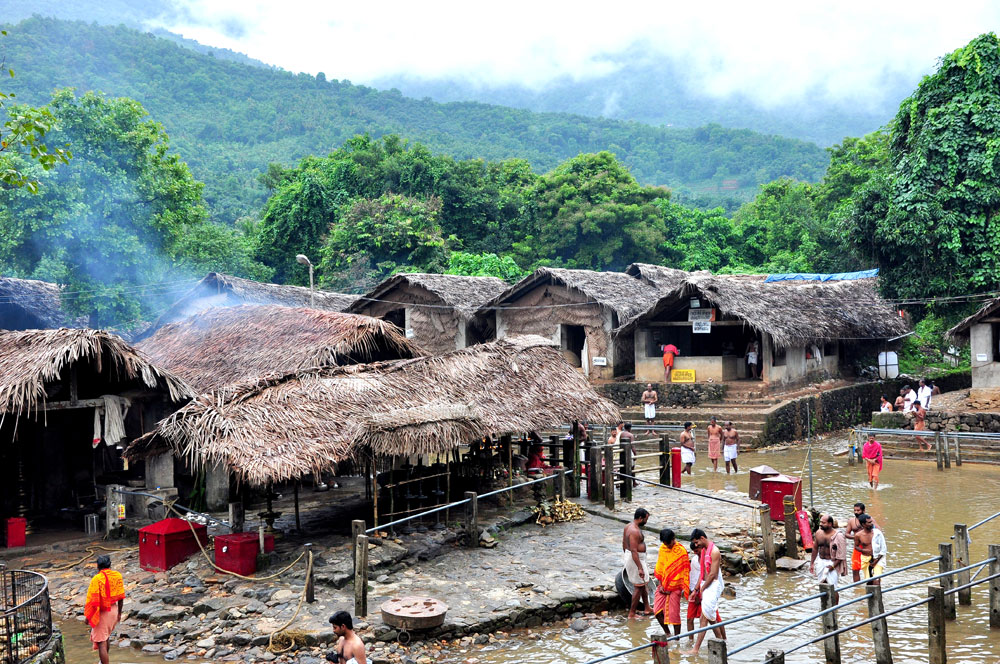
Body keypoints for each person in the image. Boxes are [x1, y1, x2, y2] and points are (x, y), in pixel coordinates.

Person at [683, 529, 725, 655]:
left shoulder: (714, 551)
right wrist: (697, 589)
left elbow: (713, 574)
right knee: (711, 618)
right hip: (705, 585)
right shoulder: (704, 551)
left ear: (702, 538)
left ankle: (695, 649)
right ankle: (721, 643)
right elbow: (703, 574)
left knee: (704, 617)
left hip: (712, 586)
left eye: (696, 542)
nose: (696, 545)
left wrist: (702, 588)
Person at [84, 555, 125, 664]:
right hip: (114, 611)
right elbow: (121, 598)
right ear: (110, 564)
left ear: (98, 566)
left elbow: (92, 600)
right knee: (105, 637)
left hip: (102, 613)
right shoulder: (117, 576)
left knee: (101, 642)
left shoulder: (97, 579)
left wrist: (88, 617)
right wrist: (119, 614)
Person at [653, 528, 689, 636]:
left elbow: (683, 573)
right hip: (663, 586)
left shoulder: (681, 552)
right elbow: (660, 568)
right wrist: (662, 585)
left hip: (675, 587)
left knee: (674, 616)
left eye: (669, 543)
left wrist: (672, 588)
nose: (668, 545)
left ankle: (677, 639)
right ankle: (667, 634)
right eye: (665, 543)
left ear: (673, 539)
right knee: (657, 611)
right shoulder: (662, 549)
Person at [810, 514, 847, 604]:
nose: (821, 524)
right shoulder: (818, 533)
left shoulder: (838, 536)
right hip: (821, 561)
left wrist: (832, 567)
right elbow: (815, 548)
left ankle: (835, 608)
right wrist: (812, 563)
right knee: (822, 584)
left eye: (823, 522)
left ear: (830, 524)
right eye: (820, 522)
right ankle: (825, 605)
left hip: (833, 562)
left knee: (833, 587)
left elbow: (841, 555)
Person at [622, 508, 652, 618]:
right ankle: (632, 613)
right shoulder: (634, 531)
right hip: (636, 559)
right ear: (640, 518)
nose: (646, 522)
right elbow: (634, 550)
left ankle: (647, 607)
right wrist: (639, 567)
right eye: (646, 519)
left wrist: (626, 555)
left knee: (643, 583)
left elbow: (624, 543)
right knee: (638, 586)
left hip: (634, 557)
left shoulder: (628, 526)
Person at [846, 503, 879, 583]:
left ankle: (871, 586)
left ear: (863, 510)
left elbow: (878, 531)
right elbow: (846, 534)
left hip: (868, 547)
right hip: (857, 547)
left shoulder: (869, 520)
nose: (856, 512)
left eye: (858, 510)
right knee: (855, 568)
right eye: (855, 510)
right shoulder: (851, 521)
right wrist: (856, 537)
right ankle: (857, 589)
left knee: (871, 568)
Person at [854, 514, 887, 584]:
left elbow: (883, 549)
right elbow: (856, 546)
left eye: (871, 521)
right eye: (869, 522)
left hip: (878, 558)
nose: (871, 523)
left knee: (876, 580)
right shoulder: (858, 535)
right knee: (869, 582)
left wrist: (876, 561)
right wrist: (863, 550)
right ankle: (871, 594)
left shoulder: (877, 533)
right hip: (865, 559)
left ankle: (877, 594)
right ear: (863, 524)